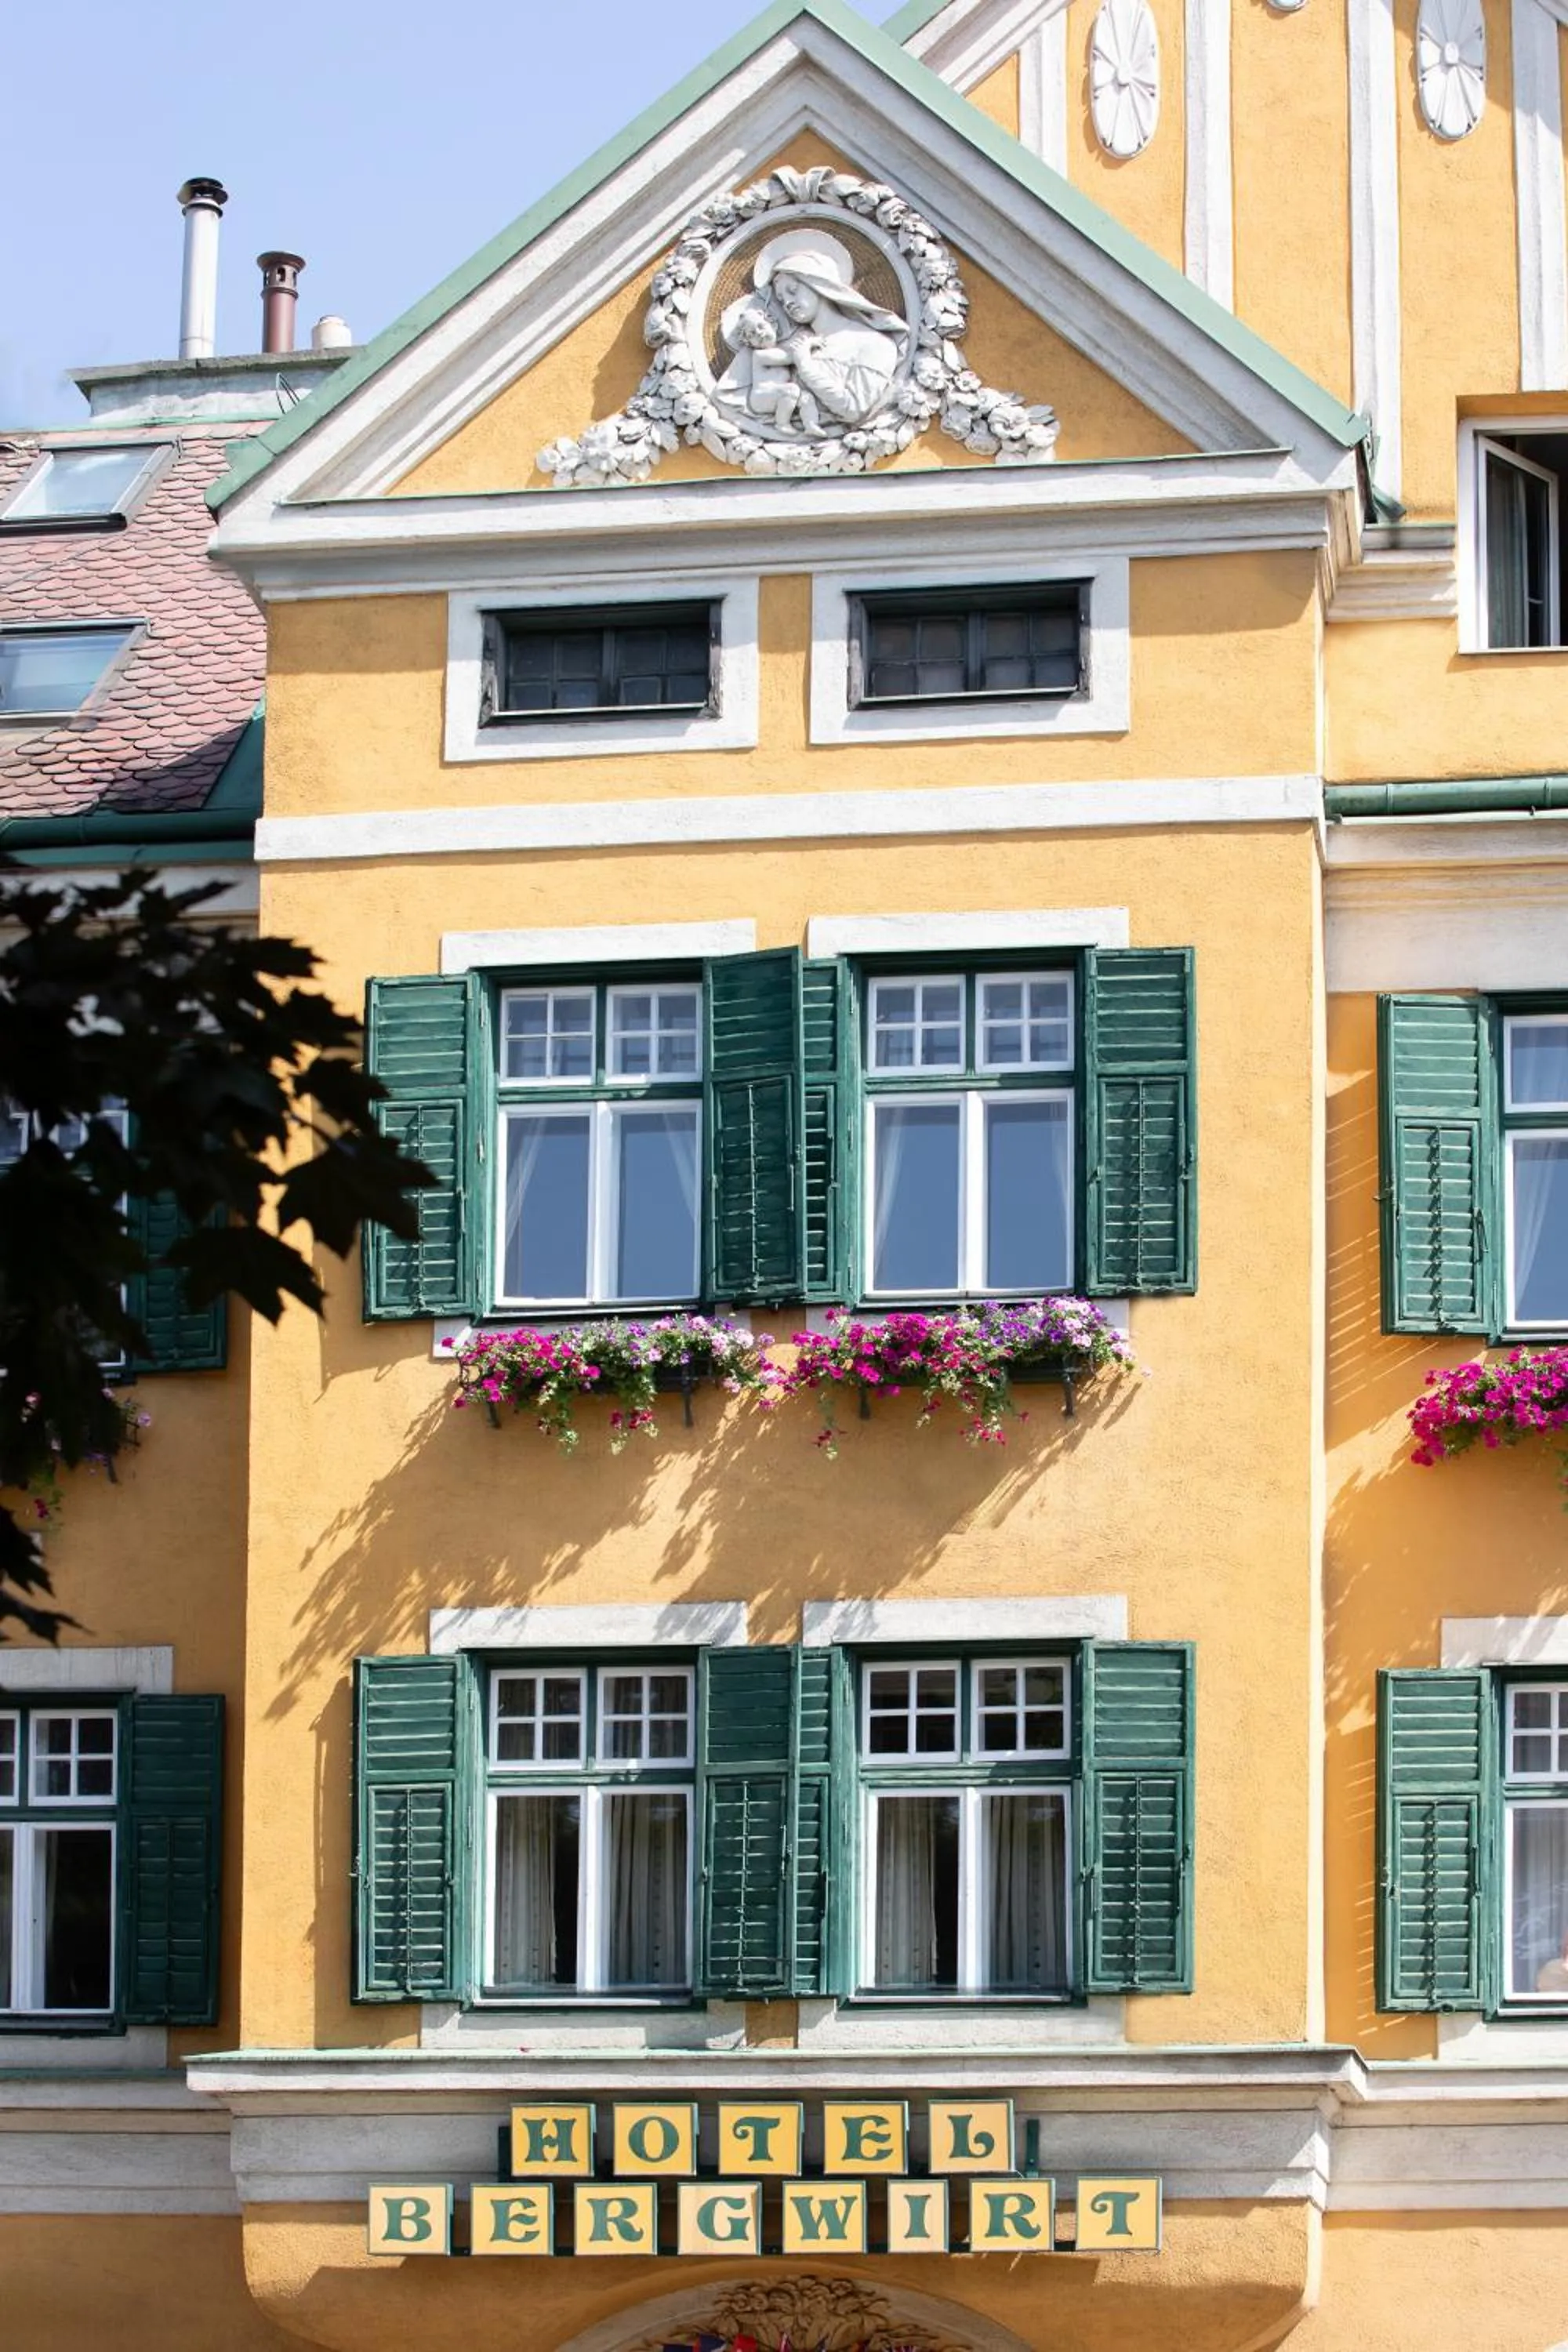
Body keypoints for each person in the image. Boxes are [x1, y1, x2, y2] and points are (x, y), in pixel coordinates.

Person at [714, 242, 907, 435]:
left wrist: (804, 364)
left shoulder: (874, 344)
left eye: (793, 290)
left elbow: (853, 409)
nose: (788, 303)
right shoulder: (788, 346)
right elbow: (732, 397)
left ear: (819, 284)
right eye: (781, 300)